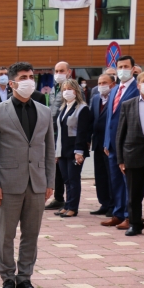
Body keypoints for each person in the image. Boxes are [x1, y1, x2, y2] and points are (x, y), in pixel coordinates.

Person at [0, 62, 55, 288]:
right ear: (12, 82)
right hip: (8, 183)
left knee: (31, 234)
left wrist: (49, 182)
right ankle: (7, 279)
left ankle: (25, 278)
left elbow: (49, 150)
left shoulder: (44, 111)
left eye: (31, 76)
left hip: (36, 183)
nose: (29, 81)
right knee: (6, 235)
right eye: (23, 77)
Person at [102, 56, 140, 229]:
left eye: (126, 66)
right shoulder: (115, 89)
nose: (122, 69)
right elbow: (110, 118)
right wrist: (106, 142)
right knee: (115, 181)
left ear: (133, 69)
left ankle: (129, 216)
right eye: (120, 66)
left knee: (128, 183)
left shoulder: (137, 89)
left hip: (129, 144)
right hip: (112, 145)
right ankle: (118, 213)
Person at [117, 71, 144, 236]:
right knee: (134, 195)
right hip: (133, 156)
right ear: (138, 85)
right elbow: (121, 134)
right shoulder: (128, 104)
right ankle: (135, 223)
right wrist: (120, 159)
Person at [54, 79, 93, 218]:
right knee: (66, 179)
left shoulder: (82, 108)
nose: (66, 92)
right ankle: (67, 205)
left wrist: (79, 151)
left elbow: (82, 132)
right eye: (64, 89)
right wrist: (56, 152)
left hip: (75, 151)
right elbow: (60, 131)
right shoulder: (63, 107)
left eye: (69, 88)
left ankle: (73, 207)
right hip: (63, 150)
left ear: (76, 91)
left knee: (73, 178)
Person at [45, 61, 71, 211]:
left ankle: (69, 201)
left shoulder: (72, 88)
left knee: (66, 170)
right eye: (56, 71)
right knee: (56, 168)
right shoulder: (55, 87)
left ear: (69, 72)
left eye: (62, 70)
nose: (58, 73)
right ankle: (59, 198)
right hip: (54, 132)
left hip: (65, 133)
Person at [90, 73, 116, 216]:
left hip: (110, 144)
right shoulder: (95, 99)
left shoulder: (115, 98)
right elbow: (92, 119)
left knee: (111, 175)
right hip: (98, 143)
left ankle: (113, 205)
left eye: (104, 83)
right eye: (99, 83)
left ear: (112, 84)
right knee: (100, 175)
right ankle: (104, 203)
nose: (101, 86)